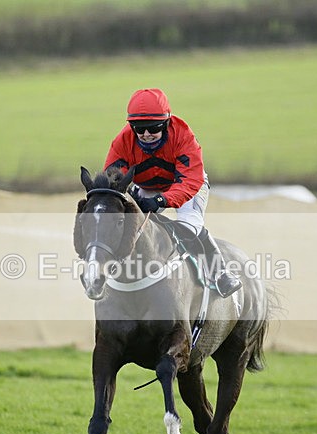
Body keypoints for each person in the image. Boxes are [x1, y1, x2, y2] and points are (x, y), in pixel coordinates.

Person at [104, 88, 242, 298]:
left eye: (153, 127)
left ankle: (221, 273)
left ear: (167, 123)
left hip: (188, 184)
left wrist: (162, 200)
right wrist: (131, 196)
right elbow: (113, 177)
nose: (146, 134)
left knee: (190, 227)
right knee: (130, 227)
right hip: (147, 186)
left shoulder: (184, 137)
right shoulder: (122, 141)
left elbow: (189, 181)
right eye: (139, 128)